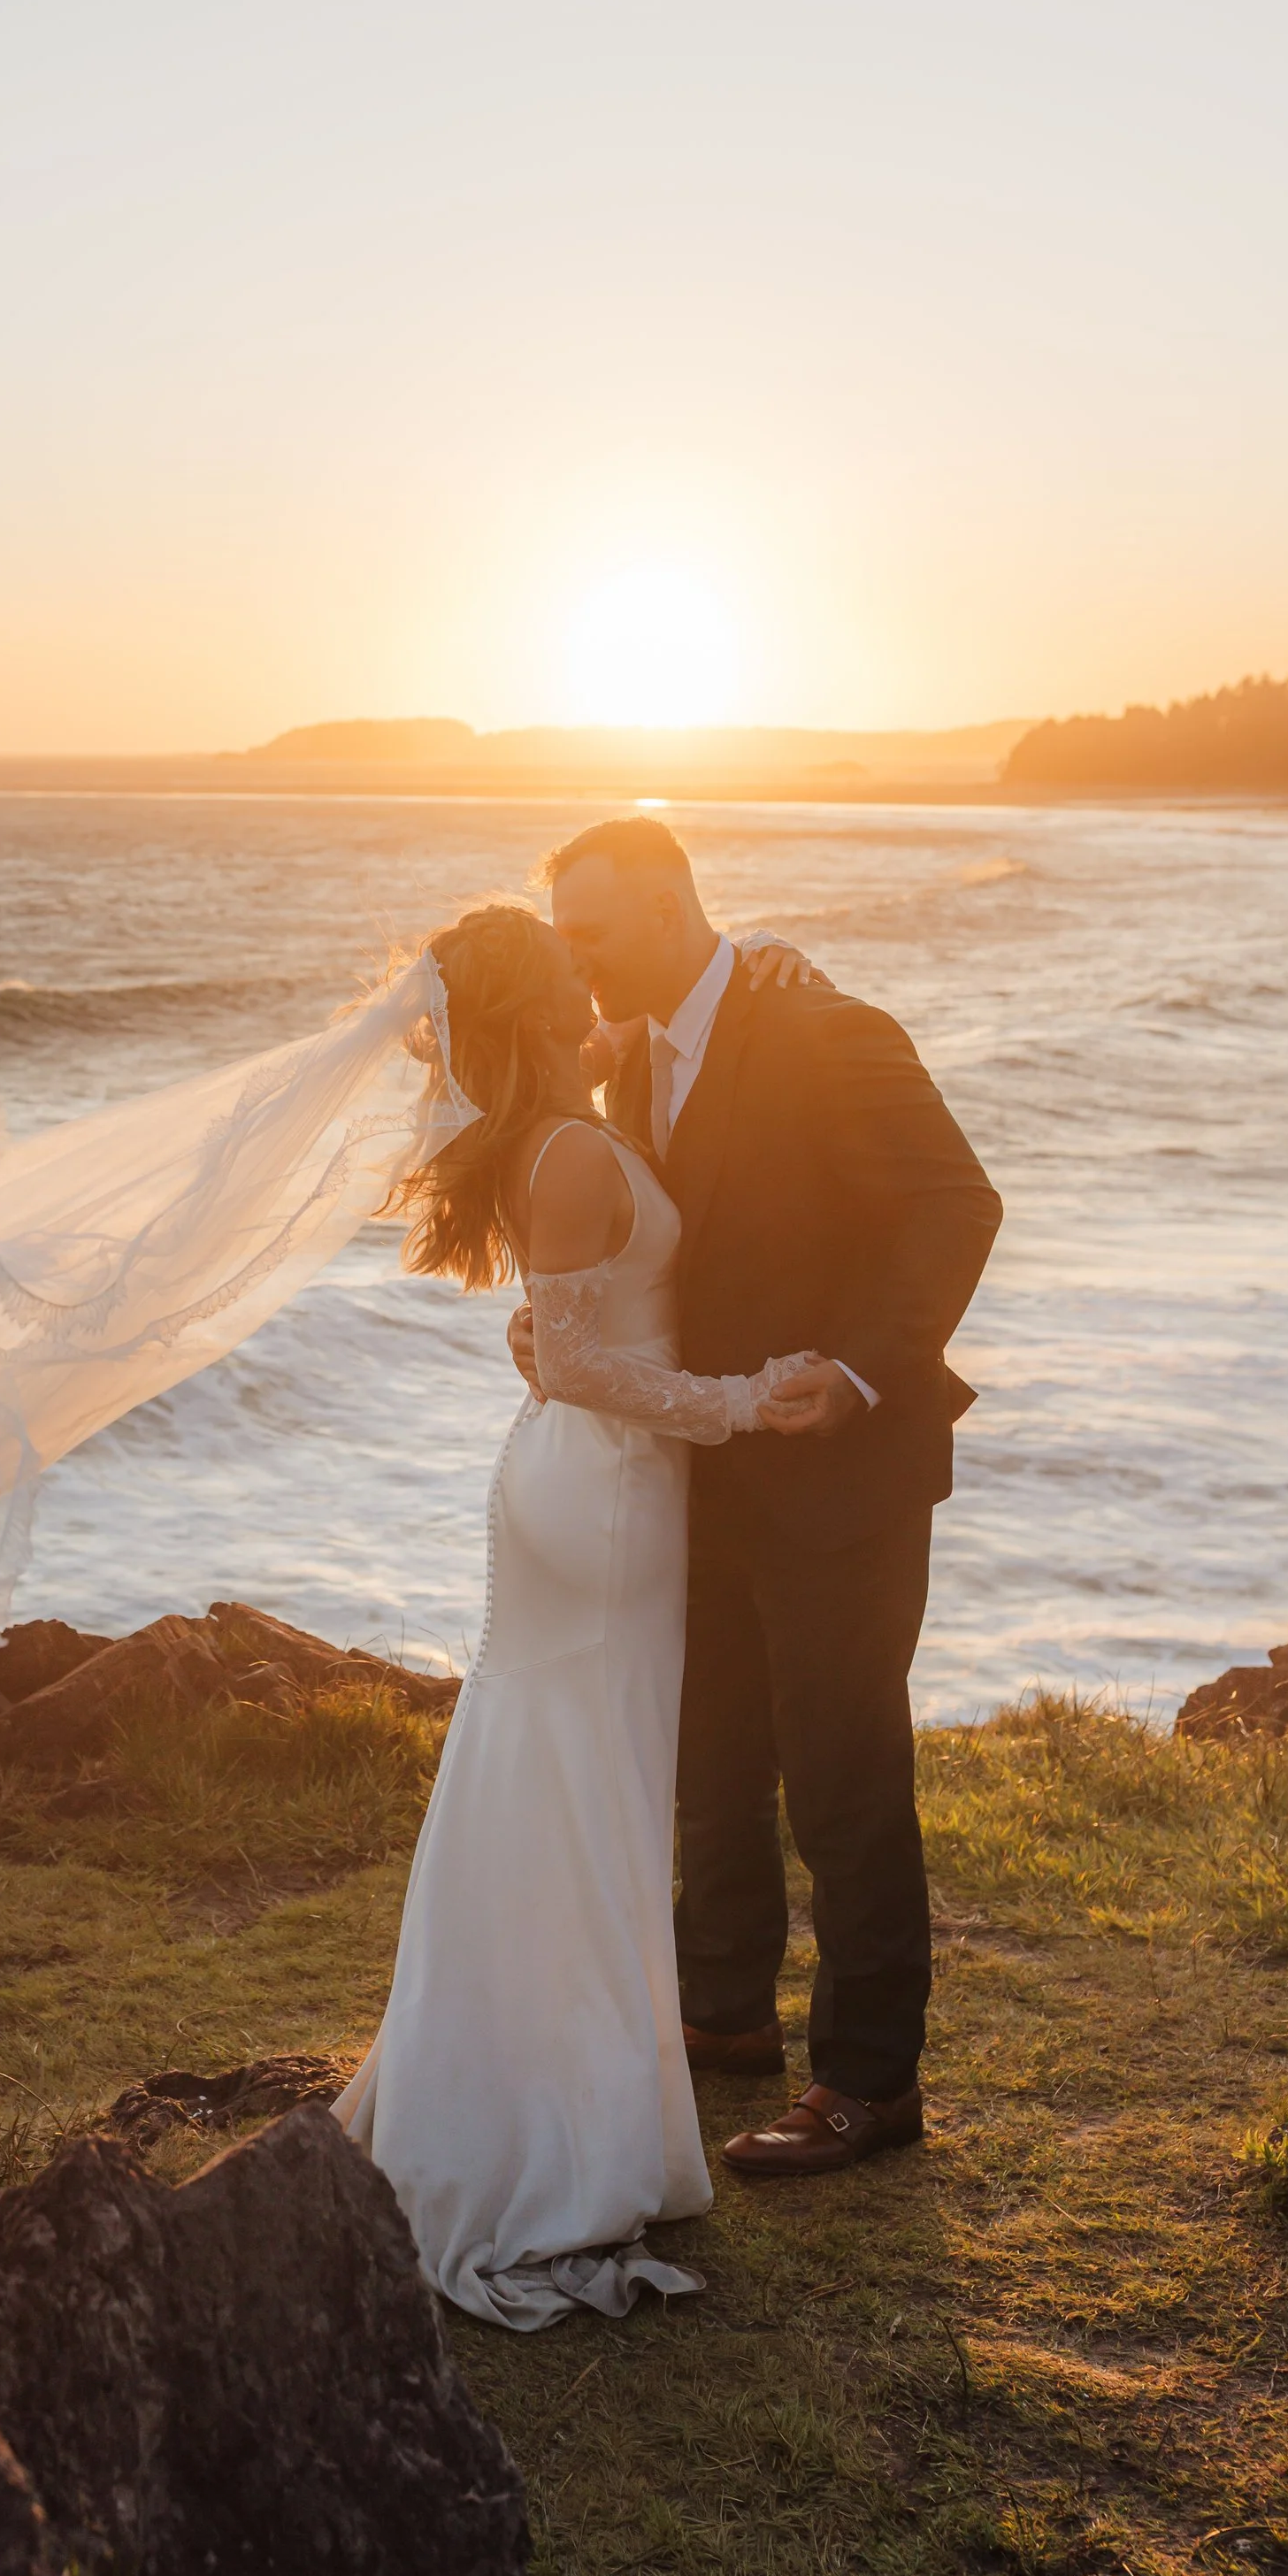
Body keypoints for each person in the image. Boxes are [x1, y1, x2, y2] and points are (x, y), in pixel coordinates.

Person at [334, 902, 817, 2326]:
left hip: (594, 1487)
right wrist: (739, 1404)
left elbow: (567, 1331)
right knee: (586, 1788)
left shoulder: (558, 1124)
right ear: (542, 1005)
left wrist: (775, 960)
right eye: (570, 972)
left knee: (568, 1777)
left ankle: (551, 2091)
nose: (592, 978)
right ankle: (553, 2139)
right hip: (603, 1492)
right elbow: (591, 1362)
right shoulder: (567, 1151)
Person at [525, 817, 1002, 2178]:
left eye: (593, 931)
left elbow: (956, 1207)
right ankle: (722, 2016)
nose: (577, 960)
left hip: (841, 1473)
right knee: (714, 1758)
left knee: (845, 1774)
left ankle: (869, 2086)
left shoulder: (825, 1031)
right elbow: (663, 1259)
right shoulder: (633, 1066)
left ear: (672, 904)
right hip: (710, 1468)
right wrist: (561, 1342)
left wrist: (856, 1371)